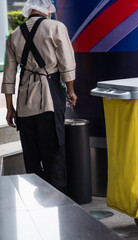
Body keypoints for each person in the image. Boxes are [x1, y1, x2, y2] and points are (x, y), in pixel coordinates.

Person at [1, 0, 76, 193]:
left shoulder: (14, 35)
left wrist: (10, 108)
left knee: (32, 159)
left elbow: (9, 75)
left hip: (24, 106)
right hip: (48, 103)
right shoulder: (56, 27)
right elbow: (66, 63)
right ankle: (59, 205)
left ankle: (37, 209)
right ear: (47, 8)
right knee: (54, 157)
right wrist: (71, 90)